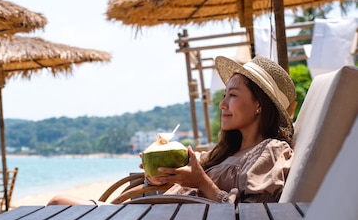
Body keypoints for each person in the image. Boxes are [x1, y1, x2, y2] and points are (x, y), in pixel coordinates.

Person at [48, 55, 296, 205]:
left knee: (58, 204)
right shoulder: (224, 152)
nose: (222, 105)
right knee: (57, 207)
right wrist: (159, 177)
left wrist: (202, 182)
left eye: (232, 95)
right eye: (223, 96)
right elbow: (187, 183)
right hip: (158, 217)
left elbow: (254, 217)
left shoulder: (272, 151)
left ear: (259, 105)